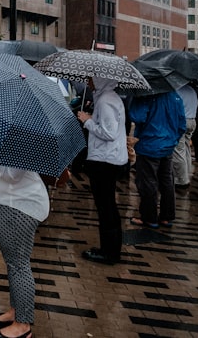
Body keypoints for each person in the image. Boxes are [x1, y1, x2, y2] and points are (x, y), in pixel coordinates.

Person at [0, 161, 47, 338]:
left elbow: (12, 174)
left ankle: (22, 325)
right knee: (13, 264)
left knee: (19, 265)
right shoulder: (8, 136)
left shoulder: (22, 138)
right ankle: (15, 311)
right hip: (8, 202)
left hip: (18, 207)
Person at [76, 77, 127, 265]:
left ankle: (109, 252)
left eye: (91, 79)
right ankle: (109, 249)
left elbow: (109, 132)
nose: (88, 82)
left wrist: (87, 121)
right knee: (108, 207)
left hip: (105, 161)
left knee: (106, 207)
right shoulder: (106, 98)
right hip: (107, 159)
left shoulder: (106, 101)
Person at [128, 91, 186, 229]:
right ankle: (166, 217)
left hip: (149, 145)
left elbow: (137, 116)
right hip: (167, 146)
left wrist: (135, 99)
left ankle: (149, 217)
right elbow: (181, 124)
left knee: (148, 182)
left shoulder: (148, 96)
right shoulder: (176, 96)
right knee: (166, 181)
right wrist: (173, 140)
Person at [172, 83, 198, 188]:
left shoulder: (177, 91)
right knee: (186, 149)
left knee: (178, 151)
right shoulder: (192, 90)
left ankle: (182, 179)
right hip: (192, 120)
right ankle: (187, 173)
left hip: (182, 121)